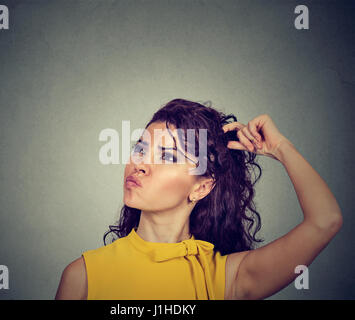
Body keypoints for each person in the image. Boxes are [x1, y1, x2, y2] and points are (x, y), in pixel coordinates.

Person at [55, 99, 342, 300]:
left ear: (201, 188)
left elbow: (325, 221)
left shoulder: (225, 277)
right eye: (140, 148)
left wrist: (282, 148)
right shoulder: (83, 276)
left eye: (167, 156)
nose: (140, 163)